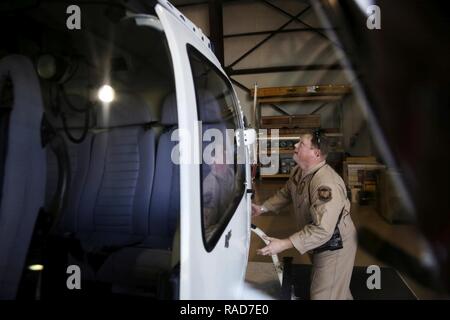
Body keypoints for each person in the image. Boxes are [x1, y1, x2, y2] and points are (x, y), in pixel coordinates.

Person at [252, 129, 357, 300]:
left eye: (301, 143)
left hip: (334, 247)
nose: (295, 145)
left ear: (316, 153)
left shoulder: (326, 184)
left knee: (323, 295)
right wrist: (262, 208)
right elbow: (286, 193)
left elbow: (323, 230)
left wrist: (284, 244)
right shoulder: (300, 171)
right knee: (336, 290)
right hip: (318, 243)